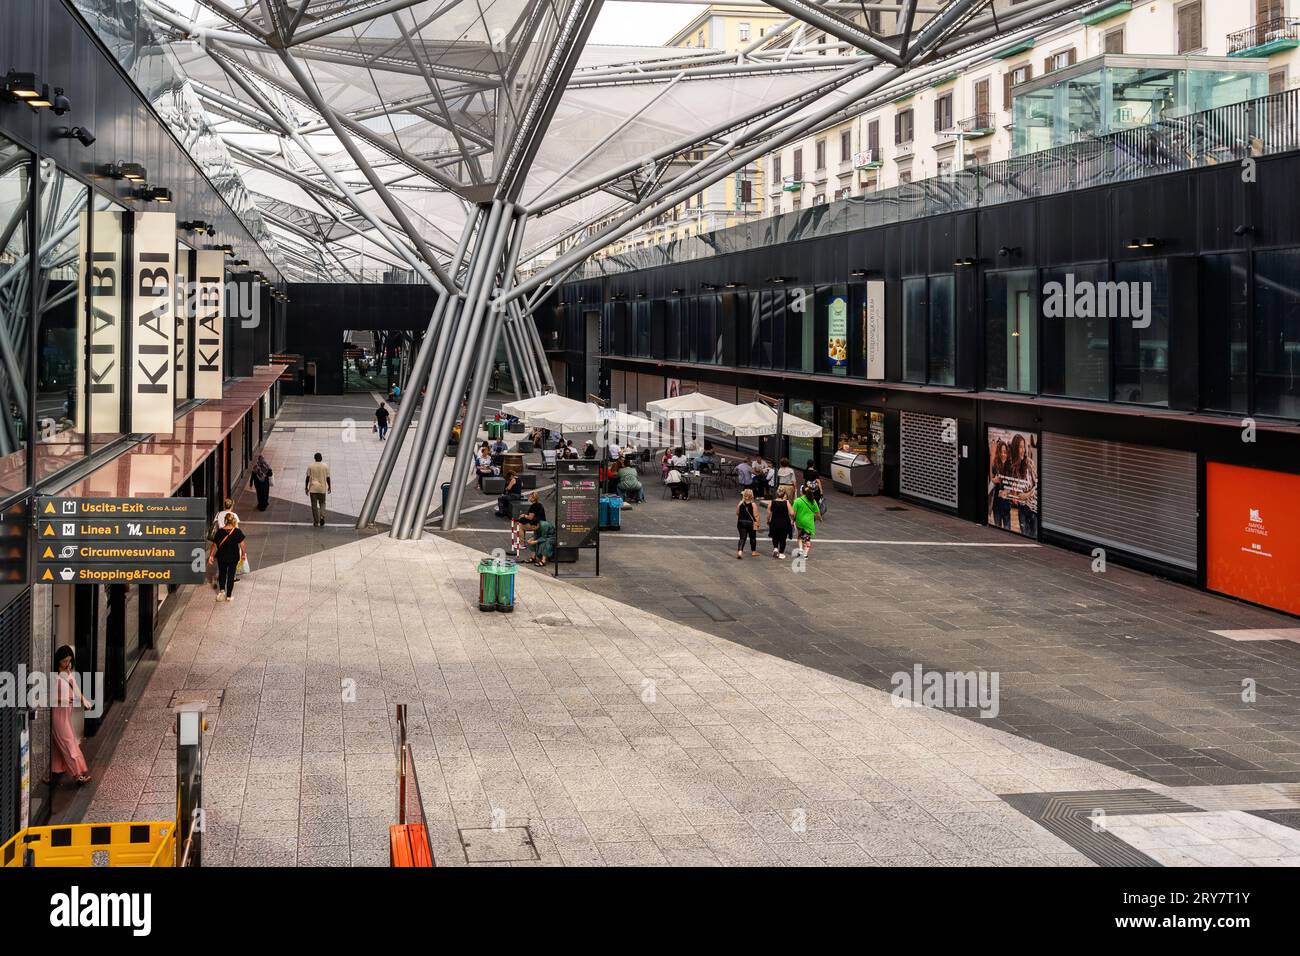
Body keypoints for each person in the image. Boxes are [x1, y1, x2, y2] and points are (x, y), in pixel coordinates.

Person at [51, 645, 92, 784]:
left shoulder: (67, 672)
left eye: (69, 660)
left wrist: (84, 700)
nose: (67, 664)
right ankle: (77, 774)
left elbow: (75, 688)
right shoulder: (54, 676)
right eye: (64, 661)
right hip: (58, 715)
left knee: (63, 744)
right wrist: (60, 699)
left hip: (66, 713)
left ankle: (55, 771)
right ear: (57, 661)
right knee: (68, 743)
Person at [208, 512, 247, 602]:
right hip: (233, 557)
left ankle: (222, 591)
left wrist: (211, 556)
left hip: (222, 557)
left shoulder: (219, 532)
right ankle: (229, 596)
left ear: (225, 521)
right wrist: (243, 554)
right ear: (233, 521)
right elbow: (242, 545)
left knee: (222, 573)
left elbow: (214, 545)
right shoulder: (237, 532)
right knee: (230, 575)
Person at [792, 485, 821, 559]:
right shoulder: (812, 500)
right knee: (807, 538)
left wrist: (792, 520)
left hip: (800, 521)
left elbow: (793, 513)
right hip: (809, 522)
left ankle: (800, 550)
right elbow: (817, 512)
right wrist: (820, 519)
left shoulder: (797, 500)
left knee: (800, 536)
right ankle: (805, 554)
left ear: (801, 492)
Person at [767, 487, 794, 559]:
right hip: (784, 522)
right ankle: (781, 553)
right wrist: (792, 518)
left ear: (776, 494)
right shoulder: (787, 502)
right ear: (784, 494)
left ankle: (775, 548)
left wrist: (768, 520)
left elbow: (769, 513)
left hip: (774, 522)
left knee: (775, 536)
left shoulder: (772, 502)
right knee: (783, 538)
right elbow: (791, 513)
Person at [306, 452, 331, 526]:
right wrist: (329, 486)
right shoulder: (325, 466)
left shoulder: (310, 466)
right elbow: (327, 477)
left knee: (314, 506)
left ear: (315, 458)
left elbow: (307, 477)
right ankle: (322, 516)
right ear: (321, 458)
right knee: (322, 503)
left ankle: (316, 522)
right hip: (322, 488)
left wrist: (306, 487)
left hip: (313, 488)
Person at [735, 488, 761, 559]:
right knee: (752, 537)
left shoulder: (740, 503)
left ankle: (740, 551)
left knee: (742, 538)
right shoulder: (753, 505)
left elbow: (737, 512)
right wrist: (757, 523)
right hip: (750, 523)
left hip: (741, 522)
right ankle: (753, 551)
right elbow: (756, 515)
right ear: (752, 496)